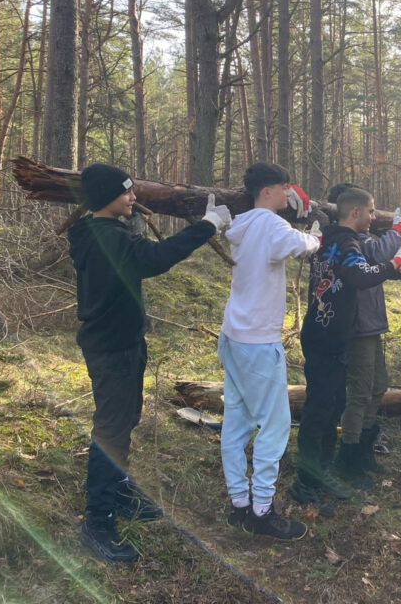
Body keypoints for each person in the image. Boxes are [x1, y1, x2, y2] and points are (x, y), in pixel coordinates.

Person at [68, 163, 231, 562]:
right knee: (111, 429)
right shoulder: (107, 238)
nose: (134, 197)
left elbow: (136, 252)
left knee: (125, 422)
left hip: (121, 343)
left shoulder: (98, 230)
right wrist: (207, 225)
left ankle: (119, 493)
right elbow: (158, 257)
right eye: (127, 192)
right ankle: (98, 519)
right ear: (107, 197)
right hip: (112, 349)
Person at [218, 163, 318, 541]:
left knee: (237, 421)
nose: (287, 192)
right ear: (267, 191)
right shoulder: (272, 225)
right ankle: (262, 510)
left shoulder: (242, 224)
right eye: (283, 187)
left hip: (233, 335)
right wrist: (316, 235)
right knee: (274, 426)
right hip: (258, 342)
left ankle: (239, 504)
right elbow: (300, 246)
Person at [292, 187, 401, 507]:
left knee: (328, 410)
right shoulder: (344, 242)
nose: (373, 217)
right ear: (355, 213)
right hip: (325, 339)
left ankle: (322, 471)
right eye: (370, 211)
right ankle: (305, 482)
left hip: (332, 336)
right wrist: (393, 266)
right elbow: (359, 275)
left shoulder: (330, 237)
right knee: (318, 411)